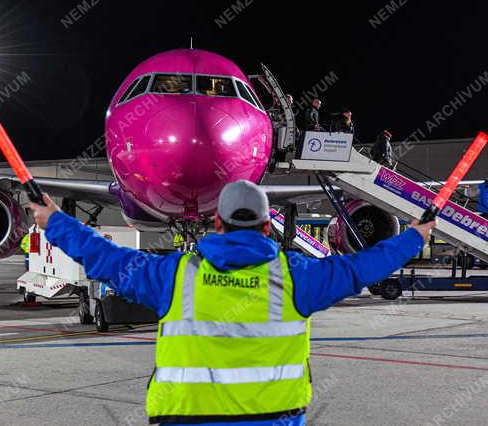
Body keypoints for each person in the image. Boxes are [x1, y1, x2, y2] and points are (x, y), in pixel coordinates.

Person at [29, 181, 435, 425]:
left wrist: (55, 220)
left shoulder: (173, 275)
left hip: (186, 418)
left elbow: (105, 258)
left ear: (217, 223)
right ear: (265, 225)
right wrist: (415, 236)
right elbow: (364, 266)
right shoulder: (299, 276)